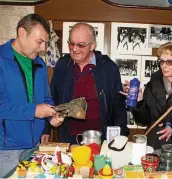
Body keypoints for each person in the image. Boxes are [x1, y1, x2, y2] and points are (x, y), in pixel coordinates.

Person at [42, 23, 129, 144]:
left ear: (92, 45)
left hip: (100, 138)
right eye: (71, 43)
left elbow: (118, 106)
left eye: (81, 45)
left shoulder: (108, 67)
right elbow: (52, 98)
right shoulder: (62, 65)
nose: (74, 49)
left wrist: (121, 137)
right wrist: (46, 129)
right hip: (68, 138)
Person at [0, 14, 64, 177]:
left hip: (35, 146)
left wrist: (52, 117)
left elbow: (46, 99)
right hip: (5, 150)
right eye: (39, 42)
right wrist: (34, 110)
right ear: (22, 33)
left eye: (45, 43)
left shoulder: (40, 64)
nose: (43, 48)